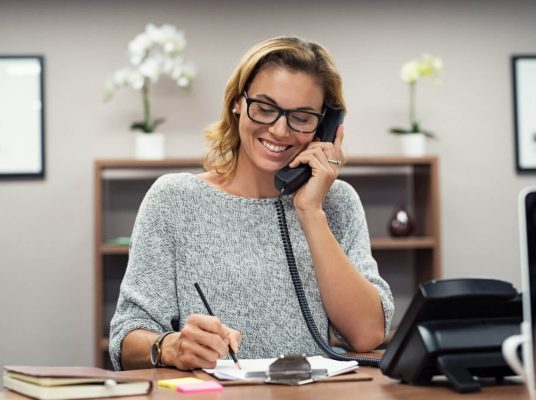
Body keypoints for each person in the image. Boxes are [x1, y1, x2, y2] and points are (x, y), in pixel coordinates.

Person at [109, 36, 394, 371]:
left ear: (325, 126)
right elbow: (126, 339)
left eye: (301, 117)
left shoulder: (336, 202)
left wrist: (310, 211)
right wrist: (170, 347)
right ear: (237, 103)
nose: (279, 129)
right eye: (264, 107)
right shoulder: (174, 199)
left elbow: (367, 336)